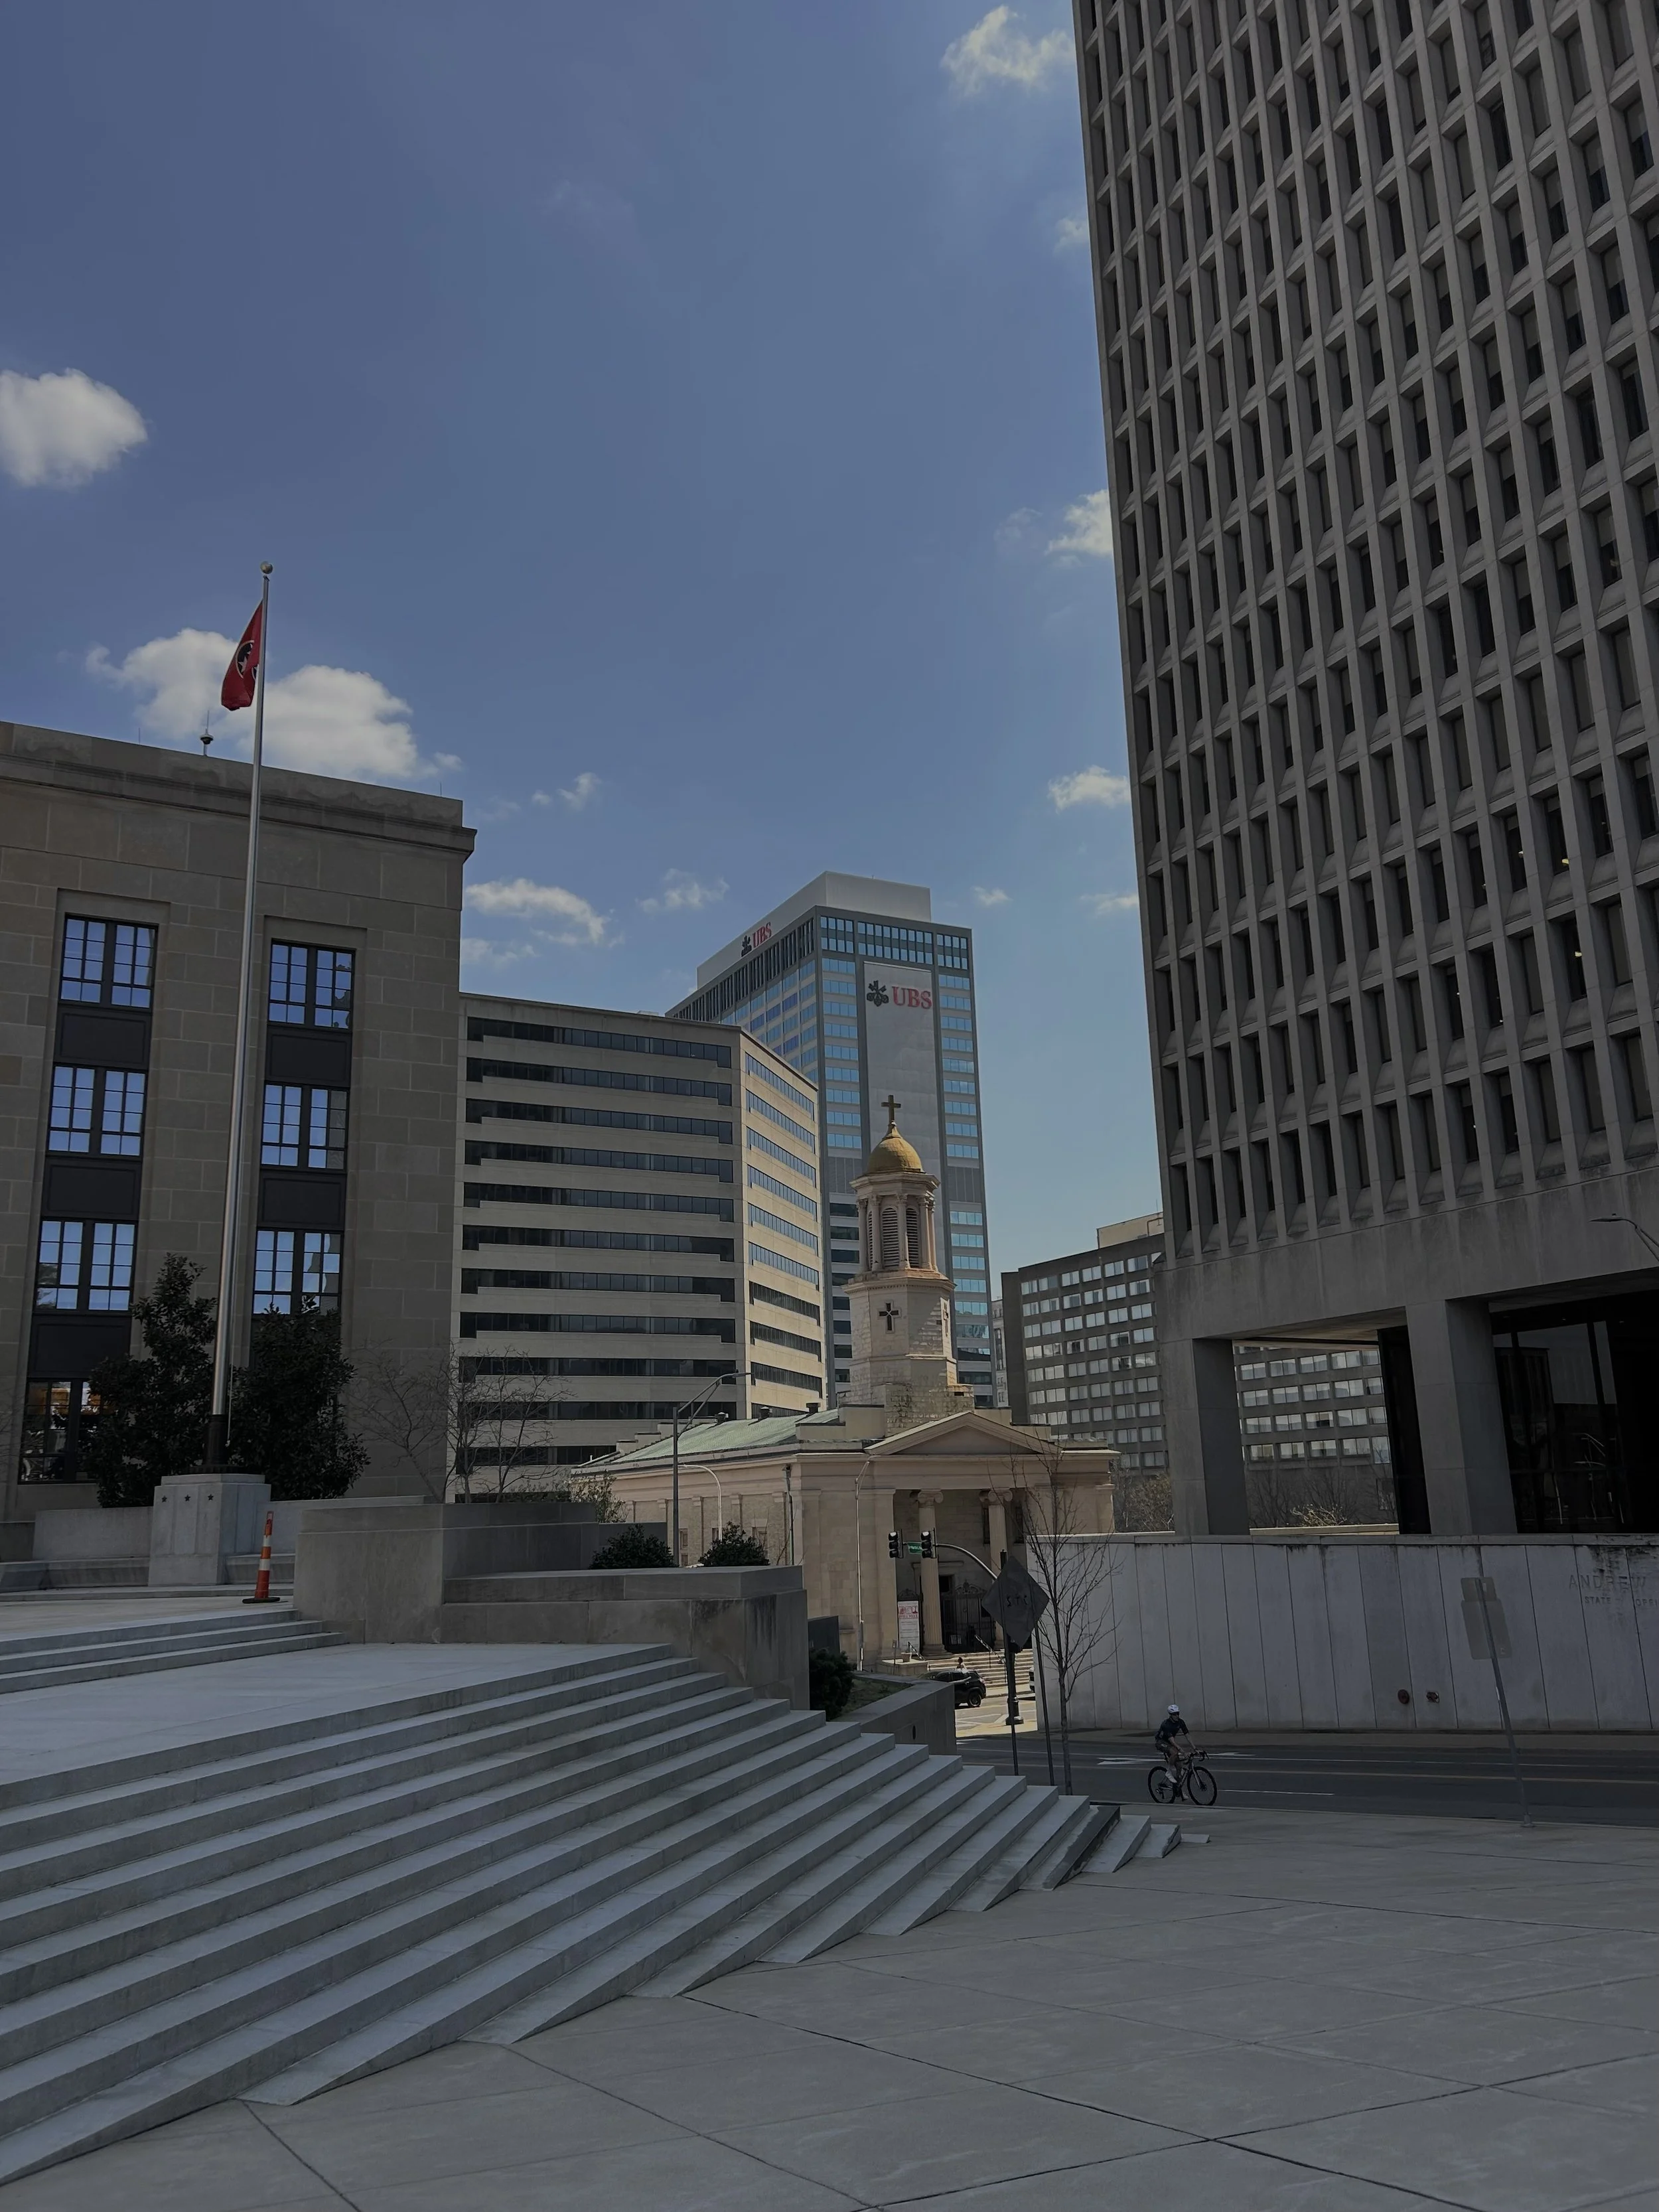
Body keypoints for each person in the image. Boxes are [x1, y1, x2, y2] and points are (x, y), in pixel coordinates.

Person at [1154, 1704, 1192, 1769]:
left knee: (1179, 1766)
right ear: (1171, 1715)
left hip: (1169, 1743)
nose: (1177, 1716)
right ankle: (1169, 1772)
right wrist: (1184, 1753)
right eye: (1175, 1714)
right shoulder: (1166, 1725)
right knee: (1175, 1753)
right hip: (1161, 1742)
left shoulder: (1180, 1722)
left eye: (1178, 1714)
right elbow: (1173, 1742)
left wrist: (1195, 1749)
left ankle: (1178, 1779)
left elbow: (1187, 1735)